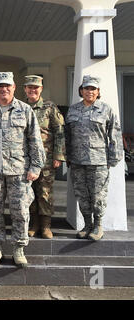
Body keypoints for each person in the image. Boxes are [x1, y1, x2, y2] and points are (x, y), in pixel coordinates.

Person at [0, 72, 45, 268]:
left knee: (21, 211)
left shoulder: (25, 110)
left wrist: (36, 166)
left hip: (19, 170)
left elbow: (35, 140)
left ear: (14, 87)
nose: (3, 89)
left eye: (7, 86)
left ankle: (19, 248)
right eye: (0, 86)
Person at [65, 75, 123, 241]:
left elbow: (115, 135)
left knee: (97, 195)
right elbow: (67, 135)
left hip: (98, 162)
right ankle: (87, 224)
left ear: (98, 92)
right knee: (81, 195)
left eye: (93, 89)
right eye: (86, 88)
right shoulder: (73, 109)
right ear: (81, 91)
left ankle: (98, 225)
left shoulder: (106, 109)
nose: (89, 91)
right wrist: (67, 156)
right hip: (77, 161)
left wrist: (113, 159)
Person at [23, 75, 66, 239]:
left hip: (46, 158)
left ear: (41, 89)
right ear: (25, 89)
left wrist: (58, 155)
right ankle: (34, 224)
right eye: (29, 87)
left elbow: (59, 132)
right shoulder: (20, 106)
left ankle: (46, 225)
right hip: (26, 159)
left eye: (36, 87)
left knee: (45, 192)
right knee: (29, 192)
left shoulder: (49, 107)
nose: (32, 90)